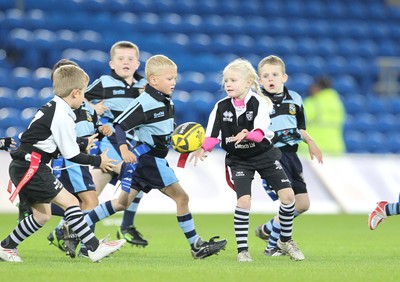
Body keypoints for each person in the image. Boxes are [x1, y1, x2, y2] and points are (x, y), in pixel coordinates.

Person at [69, 54, 227, 259]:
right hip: (149, 160)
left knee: (121, 203)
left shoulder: (166, 101)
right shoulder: (145, 102)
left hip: (146, 160)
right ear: (153, 80)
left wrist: (188, 146)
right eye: (169, 78)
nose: (174, 82)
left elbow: (163, 133)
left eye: (175, 78)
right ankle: (196, 246)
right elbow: (120, 125)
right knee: (182, 198)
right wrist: (124, 150)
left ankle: (77, 230)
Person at [0, 64, 125, 263]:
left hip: (27, 165)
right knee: (72, 203)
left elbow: (52, 143)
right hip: (32, 167)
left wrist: (83, 142)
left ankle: (6, 247)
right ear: (75, 93)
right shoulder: (62, 115)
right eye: (83, 92)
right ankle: (93, 248)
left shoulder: (55, 106)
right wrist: (98, 160)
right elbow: (72, 155)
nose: (84, 98)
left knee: (42, 216)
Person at [190, 58, 304, 262]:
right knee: (244, 201)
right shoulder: (220, 106)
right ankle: (242, 251)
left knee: (288, 197)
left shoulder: (260, 102)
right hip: (239, 159)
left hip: (264, 155)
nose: (228, 85)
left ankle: (284, 241)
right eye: (225, 81)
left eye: (233, 80)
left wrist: (247, 134)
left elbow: (260, 133)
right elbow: (212, 135)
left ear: (249, 82)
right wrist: (203, 149)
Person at [255, 55, 323, 256]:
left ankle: (268, 229)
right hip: (271, 156)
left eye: (274, 74)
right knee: (288, 200)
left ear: (284, 77)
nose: (270, 79)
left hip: (292, 155)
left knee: (303, 205)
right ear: (259, 80)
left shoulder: (295, 98)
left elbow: (300, 127)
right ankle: (271, 248)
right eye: (265, 76)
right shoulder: (258, 101)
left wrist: (310, 142)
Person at [45, 59, 114, 258]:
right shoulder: (62, 108)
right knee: (90, 201)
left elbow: (93, 129)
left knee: (76, 202)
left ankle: (63, 229)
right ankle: (86, 247)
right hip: (71, 160)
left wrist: (102, 130)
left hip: (82, 159)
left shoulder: (86, 107)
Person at [84, 41, 148, 247]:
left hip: (131, 145)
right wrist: (93, 108)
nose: (126, 62)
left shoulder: (144, 86)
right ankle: (77, 235)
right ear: (112, 64)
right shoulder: (104, 82)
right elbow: (78, 100)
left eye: (130, 59)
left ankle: (69, 233)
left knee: (93, 195)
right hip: (108, 143)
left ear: (137, 64)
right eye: (121, 59)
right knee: (92, 195)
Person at [298, 75, 346, 155]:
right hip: (335, 150)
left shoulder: (313, 102)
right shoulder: (338, 103)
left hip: (312, 150)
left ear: (317, 87)